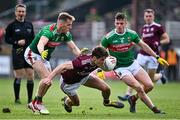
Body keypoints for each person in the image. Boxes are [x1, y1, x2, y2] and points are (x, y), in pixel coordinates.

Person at [100, 12, 169, 114]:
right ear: (115, 23)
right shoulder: (108, 37)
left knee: (150, 85)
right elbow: (99, 52)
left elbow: (143, 45)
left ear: (125, 23)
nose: (119, 25)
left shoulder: (132, 34)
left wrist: (157, 57)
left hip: (133, 64)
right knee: (138, 87)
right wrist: (99, 68)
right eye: (117, 23)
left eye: (121, 23)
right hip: (120, 69)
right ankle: (155, 110)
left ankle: (133, 99)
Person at [24, 12, 87, 115]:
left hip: (44, 58)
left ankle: (34, 102)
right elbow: (41, 44)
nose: (70, 27)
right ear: (61, 24)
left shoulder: (65, 34)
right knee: (46, 78)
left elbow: (74, 48)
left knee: (49, 82)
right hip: (33, 53)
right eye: (69, 25)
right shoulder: (48, 31)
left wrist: (81, 55)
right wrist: (41, 52)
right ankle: (38, 103)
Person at [42, 46, 124, 113]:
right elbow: (62, 66)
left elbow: (102, 59)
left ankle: (106, 102)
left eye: (104, 60)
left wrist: (101, 70)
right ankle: (67, 102)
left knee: (106, 89)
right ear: (94, 58)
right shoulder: (81, 62)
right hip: (68, 84)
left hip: (84, 77)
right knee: (76, 103)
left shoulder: (97, 60)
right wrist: (49, 78)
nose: (103, 62)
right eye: (102, 60)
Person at [118, 9, 170, 101]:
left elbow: (167, 39)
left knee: (151, 79)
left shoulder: (158, 27)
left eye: (150, 16)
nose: (148, 18)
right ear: (144, 17)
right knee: (134, 73)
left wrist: (159, 42)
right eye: (146, 16)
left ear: (153, 17)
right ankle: (127, 94)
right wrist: (130, 44)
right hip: (142, 54)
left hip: (153, 56)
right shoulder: (144, 28)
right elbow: (141, 41)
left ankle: (161, 75)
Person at [5, 4, 35, 104]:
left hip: (28, 53)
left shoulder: (29, 25)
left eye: (23, 11)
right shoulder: (11, 26)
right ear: (15, 12)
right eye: (19, 11)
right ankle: (17, 99)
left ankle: (30, 100)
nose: (21, 13)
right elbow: (7, 39)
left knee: (30, 74)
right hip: (17, 52)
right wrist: (16, 42)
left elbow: (33, 38)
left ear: (25, 13)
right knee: (19, 74)